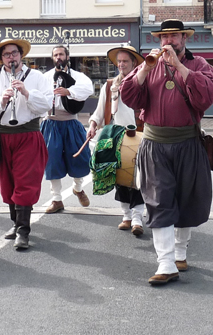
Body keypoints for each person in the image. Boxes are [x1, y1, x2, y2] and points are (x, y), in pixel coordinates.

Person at [120, 19, 213, 285]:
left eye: (174, 36)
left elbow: (207, 96)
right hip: (155, 144)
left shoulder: (199, 66)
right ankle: (165, 263)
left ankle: (180, 252)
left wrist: (178, 67)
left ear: (184, 39)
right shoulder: (147, 64)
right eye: (164, 37)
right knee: (158, 200)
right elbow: (129, 95)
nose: (169, 42)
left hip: (188, 142)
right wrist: (143, 70)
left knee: (186, 199)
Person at [0, 39, 52, 249]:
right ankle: (15, 223)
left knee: (25, 181)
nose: (11, 57)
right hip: (2, 135)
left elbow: (46, 105)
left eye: (14, 53)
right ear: (1, 58)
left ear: (21, 55)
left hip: (27, 134)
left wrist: (27, 92)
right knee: (7, 181)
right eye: (7, 55)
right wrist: (1, 100)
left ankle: (23, 230)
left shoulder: (36, 77)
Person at [87, 46, 146, 236]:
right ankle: (126, 216)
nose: (121, 65)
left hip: (140, 134)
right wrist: (93, 124)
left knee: (139, 178)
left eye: (125, 61)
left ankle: (137, 218)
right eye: (119, 61)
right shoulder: (110, 85)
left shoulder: (144, 82)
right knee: (120, 177)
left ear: (134, 63)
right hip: (117, 135)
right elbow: (99, 110)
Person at [42, 45, 94, 214]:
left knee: (79, 157)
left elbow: (88, 89)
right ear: (52, 58)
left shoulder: (78, 76)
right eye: (55, 54)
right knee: (52, 161)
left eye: (61, 54)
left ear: (67, 56)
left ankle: (78, 188)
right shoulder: (45, 77)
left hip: (71, 122)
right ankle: (56, 199)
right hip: (51, 123)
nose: (58, 57)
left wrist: (68, 91)